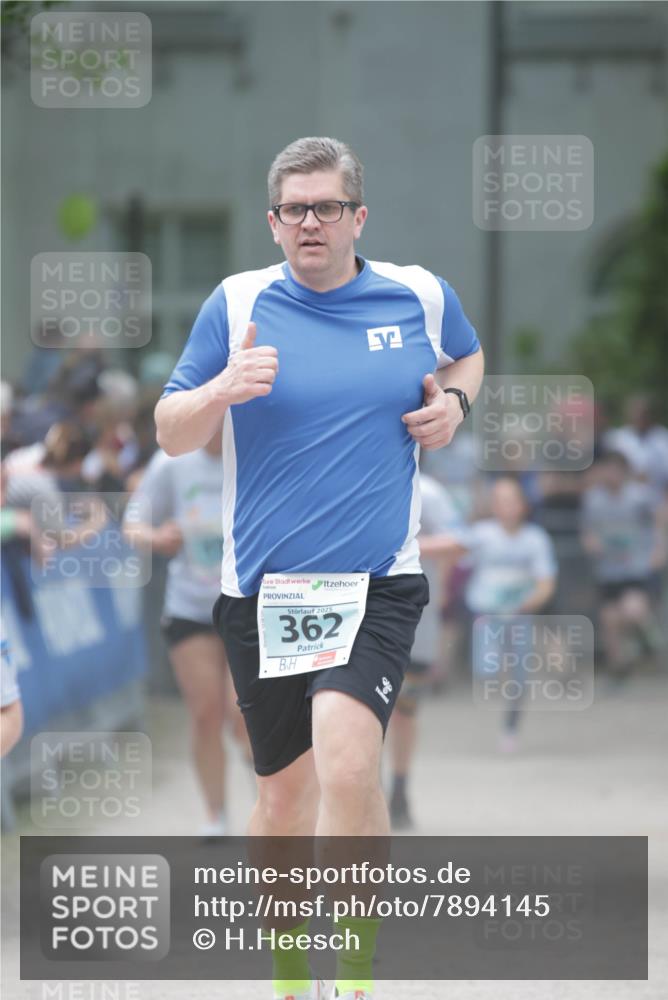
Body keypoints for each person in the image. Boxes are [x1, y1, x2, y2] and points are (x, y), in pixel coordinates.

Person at [154, 136, 484, 1000]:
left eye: (326, 206)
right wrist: (223, 389)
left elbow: (467, 352)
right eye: (294, 209)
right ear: (273, 222)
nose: (310, 221)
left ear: (357, 216)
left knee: (346, 762)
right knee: (287, 800)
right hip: (264, 591)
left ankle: (359, 976)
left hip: (376, 582)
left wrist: (453, 402)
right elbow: (170, 430)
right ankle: (294, 975)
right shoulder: (236, 304)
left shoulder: (417, 293)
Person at [124, 427, 250, 837]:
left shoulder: (258, 450)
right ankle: (216, 815)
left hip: (249, 603)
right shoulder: (171, 464)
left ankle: (269, 806)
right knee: (206, 714)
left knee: (244, 715)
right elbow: (134, 523)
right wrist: (157, 536)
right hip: (191, 607)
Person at [440, 476, 557, 752]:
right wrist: (445, 589)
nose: (507, 507)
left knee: (519, 678)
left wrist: (526, 603)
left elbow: (546, 583)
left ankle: (511, 728)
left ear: (524, 505)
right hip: (486, 615)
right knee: (487, 670)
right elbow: (453, 556)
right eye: (500, 501)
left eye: (512, 501)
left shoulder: (535, 539)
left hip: (519, 615)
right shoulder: (481, 534)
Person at [387, 472, 464, 830]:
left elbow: (456, 542)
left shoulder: (428, 490)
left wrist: (403, 546)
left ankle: (399, 787)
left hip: (416, 619)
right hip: (356, 617)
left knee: (404, 710)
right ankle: (361, 788)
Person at [581, 450, 666, 675]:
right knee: (609, 620)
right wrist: (592, 542)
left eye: (616, 469)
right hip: (608, 571)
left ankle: (649, 642)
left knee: (633, 611)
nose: (612, 474)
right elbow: (587, 530)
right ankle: (619, 668)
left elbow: (660, 515)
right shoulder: (593, 499)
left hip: (636, 568)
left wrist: (659, 547)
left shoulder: (640, 496)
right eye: (608, 469)